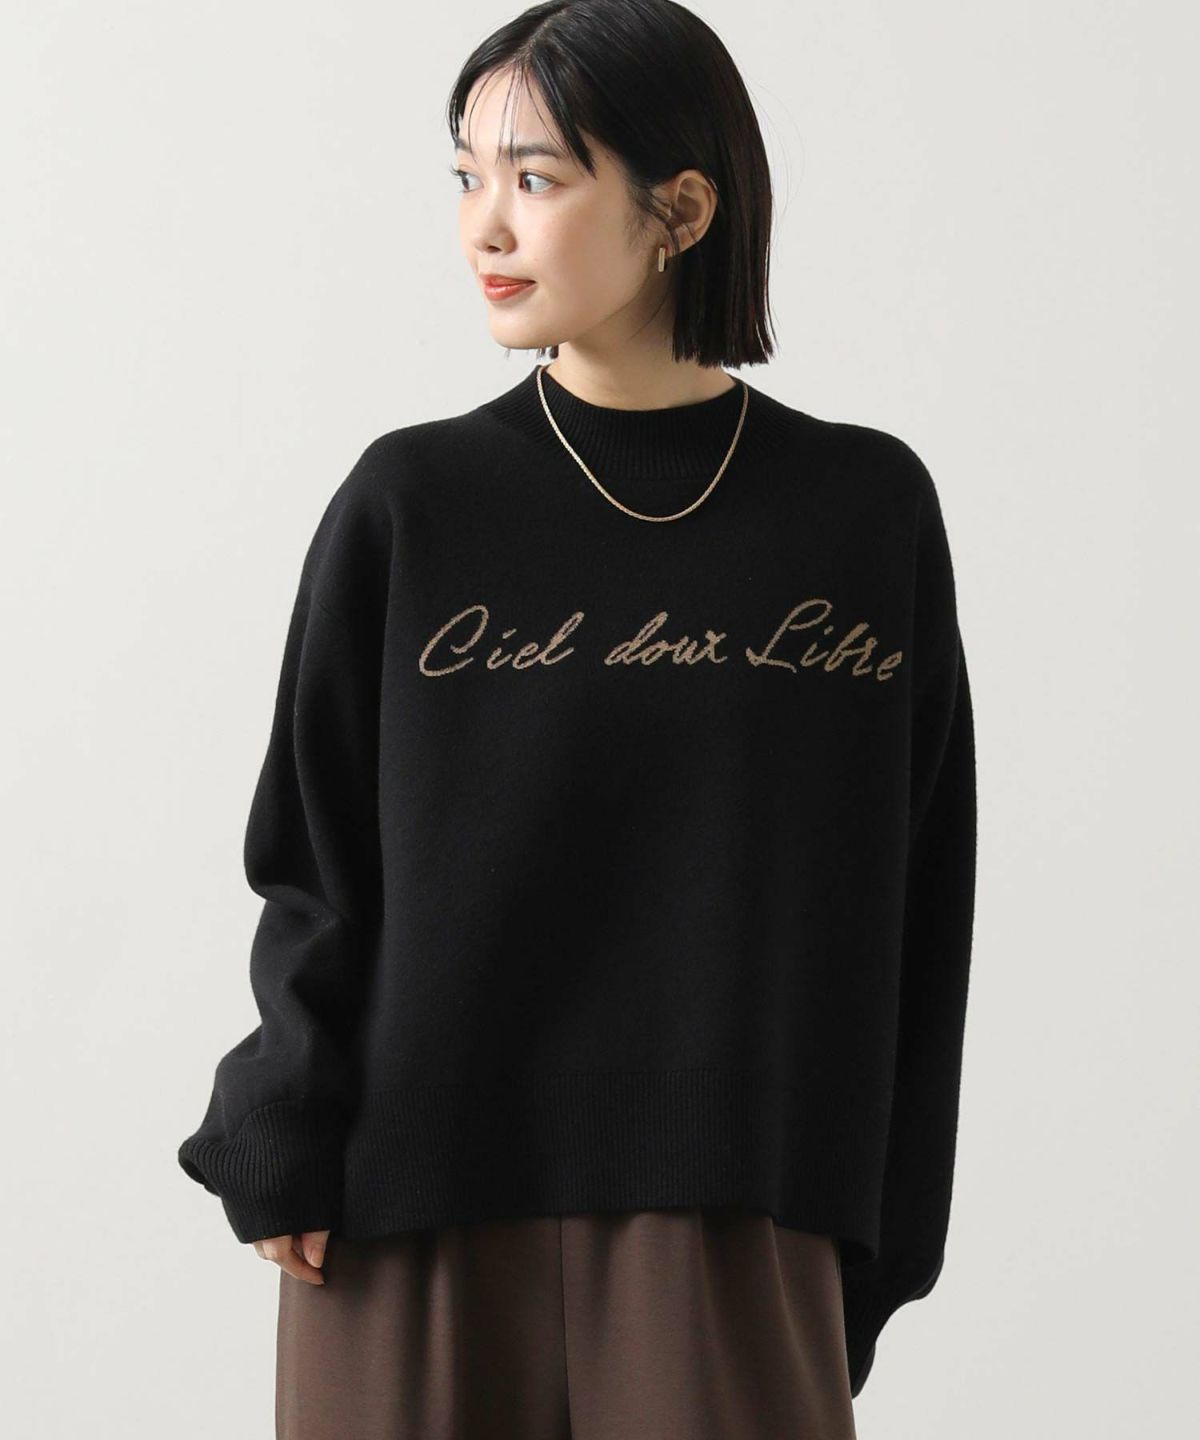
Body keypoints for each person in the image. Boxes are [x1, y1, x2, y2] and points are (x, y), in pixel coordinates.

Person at [177, 2, 978, 1435]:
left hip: (731, 1213)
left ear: (682, 210)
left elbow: (920, 900)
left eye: (535, 178)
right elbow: (313, 853)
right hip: (405, 1213)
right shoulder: (411, 503)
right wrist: (282, 1127)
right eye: (466, 177)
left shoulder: (861, 514)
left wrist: (875, 1240)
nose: (484, 226)